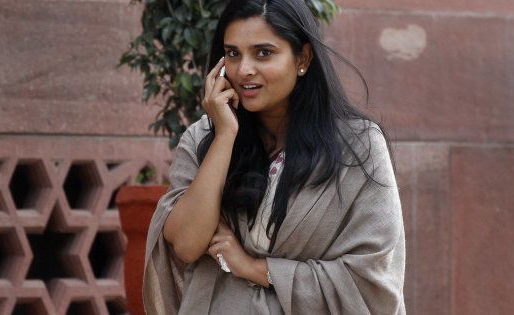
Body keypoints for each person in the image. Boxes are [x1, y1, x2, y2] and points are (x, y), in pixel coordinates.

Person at [142, 0, 406, 314]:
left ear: (302, 58)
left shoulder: (358, 147)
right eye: (233, 53)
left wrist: (255, 268)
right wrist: (225, 135)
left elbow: (370, 281)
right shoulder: (204, 139)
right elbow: (186, 244)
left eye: (263, 52)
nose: (243, 70)